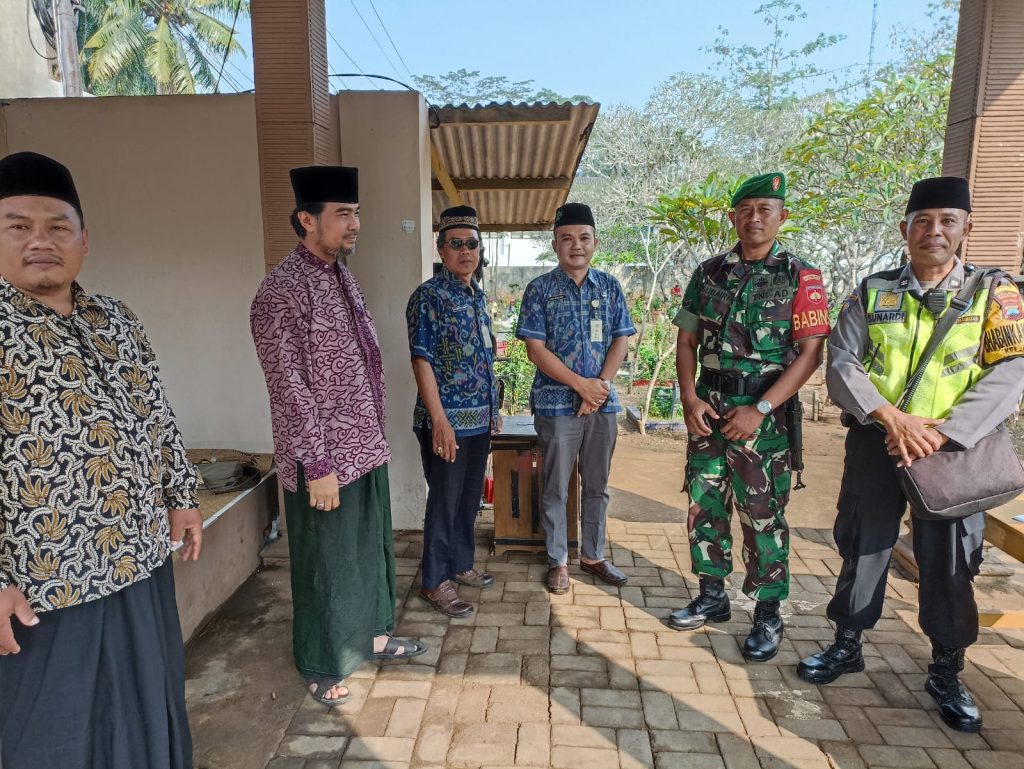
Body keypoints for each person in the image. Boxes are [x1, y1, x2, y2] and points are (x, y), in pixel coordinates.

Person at [798, 176, 1024, 733]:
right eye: (922, 221)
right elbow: (843, 364)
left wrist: (943, 433)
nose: (934, 231)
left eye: (947, 220)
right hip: (879, 442)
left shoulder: (995, 295)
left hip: (952, 452)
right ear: (904, 229)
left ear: (965, 228)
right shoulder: (873, 291)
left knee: (949, 563)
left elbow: (1011, 371)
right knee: (863, 545)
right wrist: (891, 418)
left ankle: (947, 669)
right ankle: (847, 644)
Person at [0, 151, 203, 769]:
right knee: (53, 736)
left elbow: (155, 413)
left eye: (58, 226)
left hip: (139, 560)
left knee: (145, 716)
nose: (41, 241)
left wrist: (183, 494)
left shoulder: (116, 319)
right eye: (17, 226)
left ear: (84, 240)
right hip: (44, 584)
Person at [250, 165, 425, 708]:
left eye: (357, 214)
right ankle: (321, 660)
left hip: (365, 446)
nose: (354, 225)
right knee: (326, 562)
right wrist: (317, 465)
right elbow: (289, 387)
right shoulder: (280, 291)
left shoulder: (340, 276)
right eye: (343, 215)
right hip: (322, 459)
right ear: (307, 219)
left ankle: (373, 634)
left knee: (370, 551)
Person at [667, 172, 830, 663]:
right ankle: (713, 595)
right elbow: (686, 341)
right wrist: (690, 400)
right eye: (746, 210)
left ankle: (767, 612)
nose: (755, 218)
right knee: (704, 506)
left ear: (781, 216)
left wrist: (760, 410)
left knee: (763, 516)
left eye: (765, 209)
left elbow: (810, 354)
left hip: (765, 420)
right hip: (709, 412)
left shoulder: (801, 276)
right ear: (733, 216)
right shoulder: (709, 273)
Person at [515, 202, 636, 594]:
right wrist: (580, 386)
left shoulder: (610, 287)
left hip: (602, 404)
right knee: (556, 485)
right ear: (555, 245)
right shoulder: (540, 290)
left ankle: (594, 555)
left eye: (583, 238)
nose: (576, 245)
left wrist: (597, 386)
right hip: (555, 405)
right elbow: (535, 349)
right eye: (567, 239)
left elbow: (620, 339)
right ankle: (558, 560)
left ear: (595, 242)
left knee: (597, 484)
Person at [407, 205, 500, 617]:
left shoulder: (476, 296)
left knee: (468, 498)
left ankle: (461, 564)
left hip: (480, 420)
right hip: (445, 422)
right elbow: (421, 360)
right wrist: (440, 420)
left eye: (472, 243)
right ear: (441, 249)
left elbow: (484, 358)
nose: (466, 251)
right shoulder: (429, 296)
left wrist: (494, 408)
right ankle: (434, 579)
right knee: (444, 500)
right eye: (456, 244)